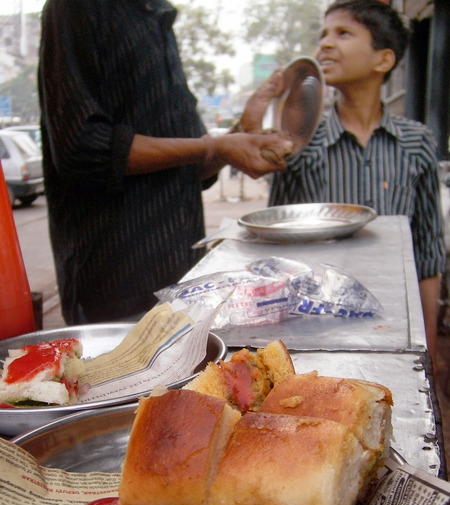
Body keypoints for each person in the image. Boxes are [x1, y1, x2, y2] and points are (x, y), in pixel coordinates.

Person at [37, 0, 292, 325]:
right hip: (116, 291)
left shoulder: (157, 17)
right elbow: (83, 148)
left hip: (183, 286)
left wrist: (240, 134)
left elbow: (192, 168)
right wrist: (215, 145)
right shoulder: (77, 8)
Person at [241, 0, 446, 371]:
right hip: (316, 329)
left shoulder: (417, 141)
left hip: (397, 323)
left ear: (383, 60)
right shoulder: (301, 142)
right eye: (323, 34)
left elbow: (428, 254)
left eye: (343, 33)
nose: (325, 44)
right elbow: (273, 245)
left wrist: (429, 347)